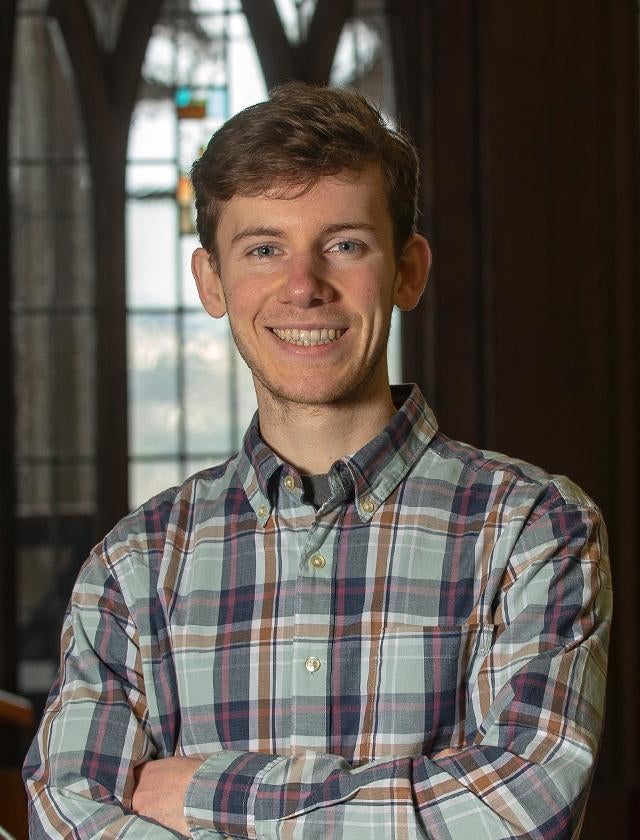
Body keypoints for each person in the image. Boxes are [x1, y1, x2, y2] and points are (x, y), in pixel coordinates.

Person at [24, 82, 611, 839]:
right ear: (212, 281)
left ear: (407, 270)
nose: (304, 287)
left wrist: (210, 793)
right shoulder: (133, 565)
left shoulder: (535, 530)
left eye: (344, 244)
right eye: (264, 249)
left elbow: (523, 808)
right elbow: (67, 815)